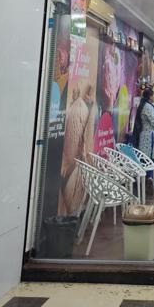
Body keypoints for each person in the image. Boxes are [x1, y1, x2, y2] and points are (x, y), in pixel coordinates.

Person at [59, 84, 96, 216]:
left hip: (75, 159)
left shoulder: (81, 109)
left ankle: (71, 214)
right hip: (73, 159)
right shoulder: (79, 109)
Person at [132, 88, 154, 164]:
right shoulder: (148, 107)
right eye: (153, 95)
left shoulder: (145, 105)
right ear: (150, 97)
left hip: (145, 134)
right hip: (149, 136)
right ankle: (149, 172)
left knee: (144, 156)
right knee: (148, 158)